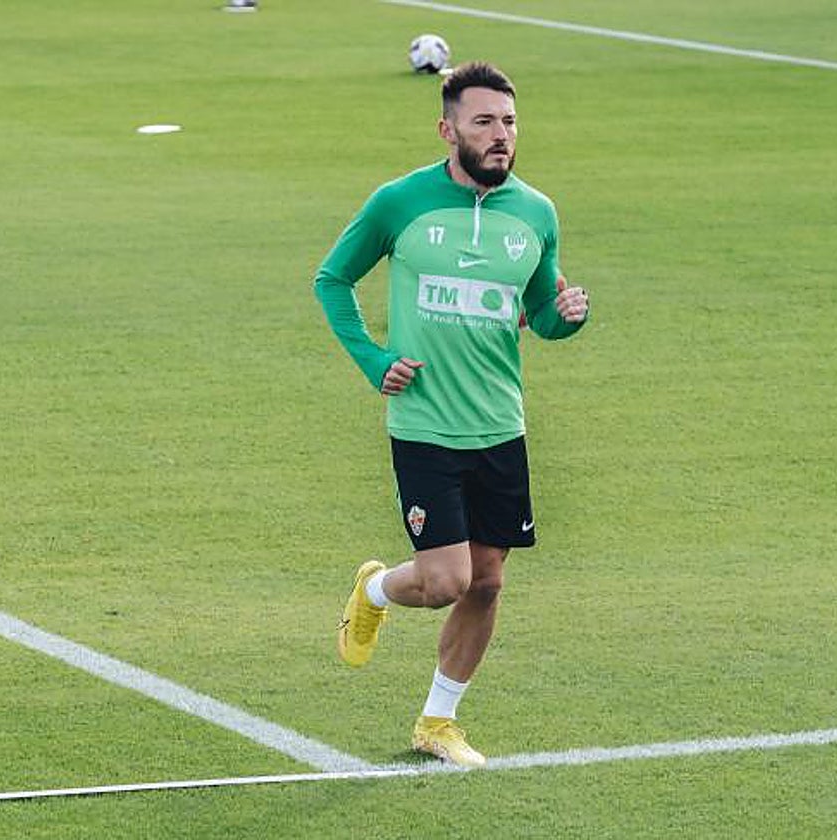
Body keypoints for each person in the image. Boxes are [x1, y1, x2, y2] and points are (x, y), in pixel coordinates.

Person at [314, 61, 589, 768]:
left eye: (509, 122)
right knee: (445, 582)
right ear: (448, 129)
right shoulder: (398, 203)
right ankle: (375, 587)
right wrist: (375, 362)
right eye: (484, 122)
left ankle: (438, 722)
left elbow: (536, 315)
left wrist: (565, 317)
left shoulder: (536, 213)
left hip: (501, 424)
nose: (501, 136)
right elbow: (333, 279)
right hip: (425, 424)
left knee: (490, 579)